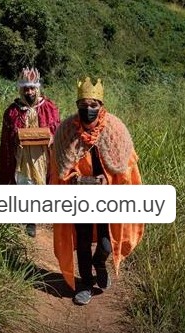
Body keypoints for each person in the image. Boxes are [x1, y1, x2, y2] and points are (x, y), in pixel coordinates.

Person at [49, 77, 145, 306]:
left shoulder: (115, 129)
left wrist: (108, 180)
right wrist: (76, 179)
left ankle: (100, 263)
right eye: (83, 105)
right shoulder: (66, 131)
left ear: (101, 106)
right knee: (82, 240)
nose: (88, 110)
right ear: (77, 105)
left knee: (105, 243)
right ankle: (85, 284)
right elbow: (60, 167)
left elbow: (127, 168)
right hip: (80, 197)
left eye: (93, 105)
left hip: (108, 199)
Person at [0, 67, 60, 238]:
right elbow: (8, 134)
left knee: (38, 184)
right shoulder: (13, 110)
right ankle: (25, 217)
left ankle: (32, 219)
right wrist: (16, 137)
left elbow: (56, 127)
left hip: (41, 155)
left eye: (32, 88)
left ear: (37, 88)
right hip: (22, 155)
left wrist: (52, 138)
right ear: (21, 89)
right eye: (26, 89)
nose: (29, 92)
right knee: (23, 182)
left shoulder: (48, 107)